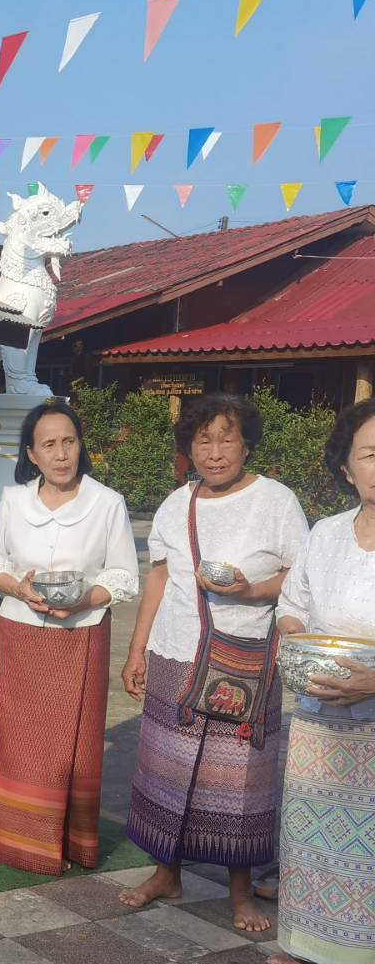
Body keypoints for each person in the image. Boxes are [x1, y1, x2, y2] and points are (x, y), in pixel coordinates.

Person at [119, 393, 309, 930]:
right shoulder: (178, 504)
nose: (216, 451)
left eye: (227, 438)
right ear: (189, 448)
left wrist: (252, 592)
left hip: (246, 662)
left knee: (241, 780)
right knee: (166, 767)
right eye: (204, 439)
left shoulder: (276, 502)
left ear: (247, 444)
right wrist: (137, 649)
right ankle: (166, 871)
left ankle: (241, 892)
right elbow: (158, 575)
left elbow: (302, 575)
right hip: (176, 654)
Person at [0, 400, 139, 874]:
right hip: (20, 635)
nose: (61, 453)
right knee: (19, 739)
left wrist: (85, 600)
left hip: (80, 635)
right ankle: (17, 841)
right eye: (49, 444)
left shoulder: (107, 503)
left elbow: (124, 575)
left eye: (69, 441)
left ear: (80, 446)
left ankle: (68, 843)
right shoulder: (15, 500)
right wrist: (18, 588)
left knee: (74, 742)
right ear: (32, 453)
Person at [269, 398, 375, 964]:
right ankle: (310, 941)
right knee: (313, 834)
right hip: (318, 713)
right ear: (346, 467)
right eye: (368, 453)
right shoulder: (326, 533)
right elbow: (294, 602)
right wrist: (294, 639)